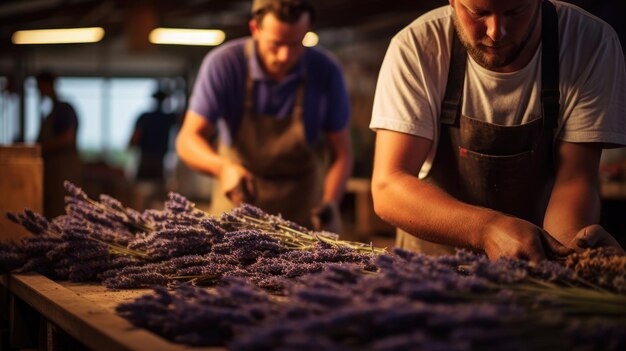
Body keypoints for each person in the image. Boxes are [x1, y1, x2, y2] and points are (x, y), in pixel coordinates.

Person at [370, 0, 626, 261]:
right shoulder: (418, 47)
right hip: (431, 271)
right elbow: (389, 184)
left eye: (514, 12)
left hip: (533, 270)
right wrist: (485, 228)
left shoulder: (588, 43)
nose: (496, 32)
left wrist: (567, 254)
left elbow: (575, 179)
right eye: (478, 13)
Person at [176, 0, 353, 232]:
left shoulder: (326, 71)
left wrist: (330, 202)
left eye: (296, 44)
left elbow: (342, 153)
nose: (285, 56)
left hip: (302, 213)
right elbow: (188, 140)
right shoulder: (224, 65)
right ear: (254, 29)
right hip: (238, 210)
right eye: (276, 44)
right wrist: (222, 168)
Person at [35, 71, 82, 218]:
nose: (38, 90)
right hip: (53, 170)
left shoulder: (64, 109)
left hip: (63, 170)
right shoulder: (50, 111)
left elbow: (68, 138)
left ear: (47, 85)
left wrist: (40, 149)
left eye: (40, 86)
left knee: (62, 211)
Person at [129, 89, 178, 182]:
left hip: (152, 159)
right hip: (152, 159)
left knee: (146, 188)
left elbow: (133, 140)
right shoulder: (167, 118)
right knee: (154, 189)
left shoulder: (146, 117)